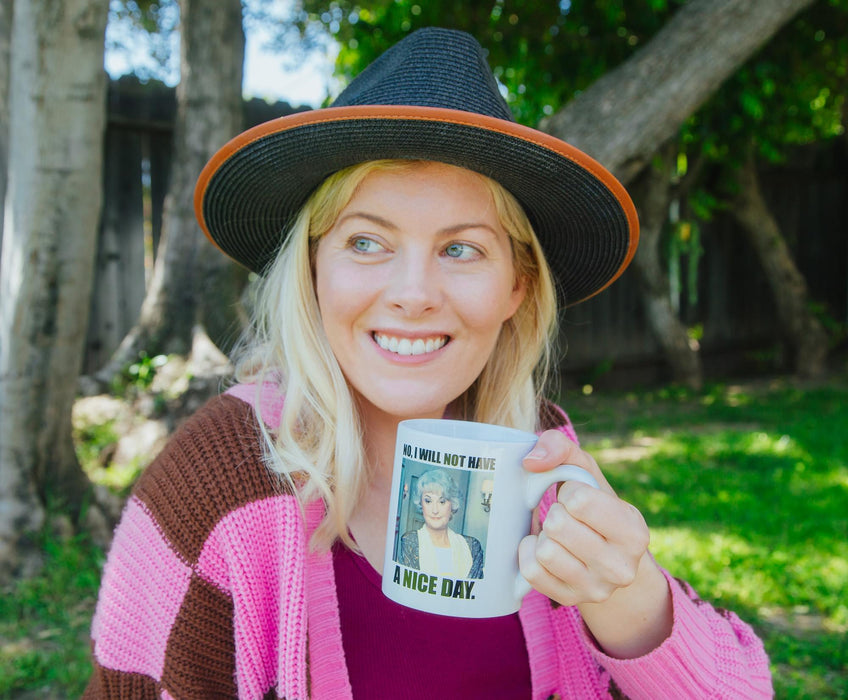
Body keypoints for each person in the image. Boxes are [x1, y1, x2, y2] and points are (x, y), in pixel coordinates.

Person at [83, 27, 773, 699]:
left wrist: (629, 597)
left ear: (516, 287)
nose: (413, 295)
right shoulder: (219, 480)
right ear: (314, 270)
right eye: (366, 242)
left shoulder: (542, 458)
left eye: (461, 249)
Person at [399, 468, 485, 579]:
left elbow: (475, 592)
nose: (435, 510)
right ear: (421, 503)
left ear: (452, 504)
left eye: (442, 501)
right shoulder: (410, 541)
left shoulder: (472, 546)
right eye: (428, 501)